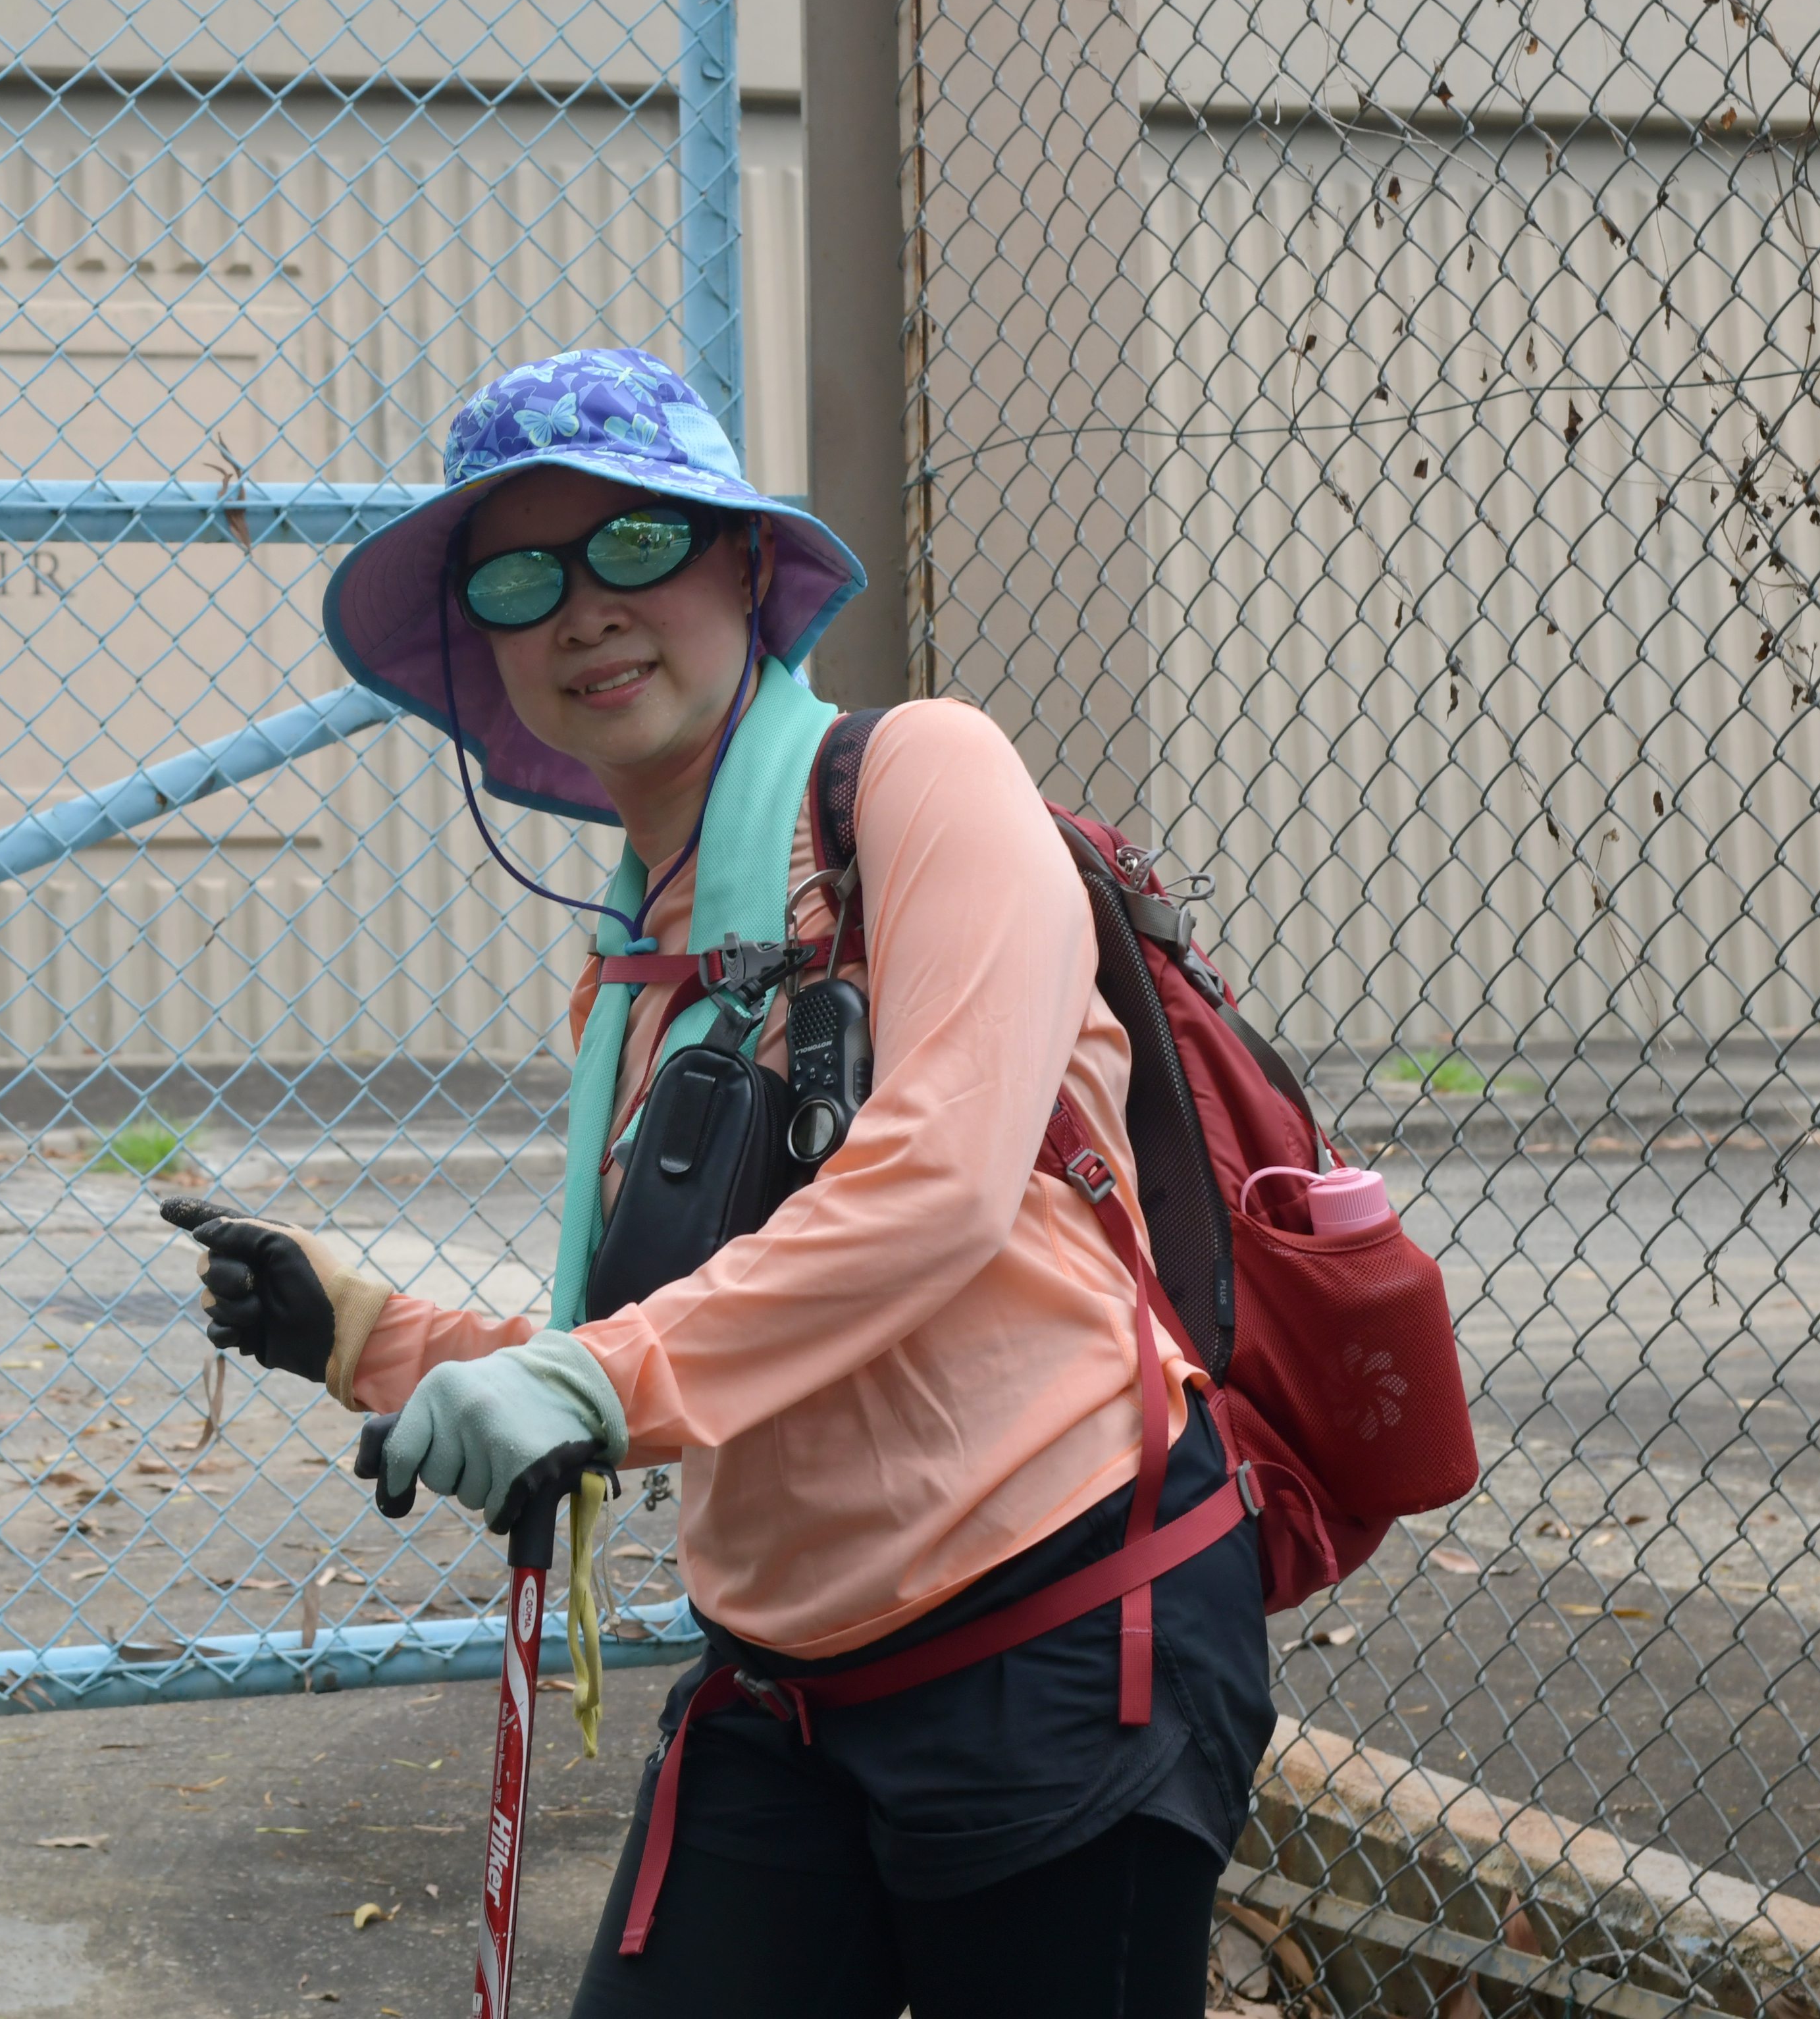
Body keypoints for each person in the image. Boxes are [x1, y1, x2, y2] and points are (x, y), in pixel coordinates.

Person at [159, 348, 1268, 2018]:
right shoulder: (638, 958)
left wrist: (588, 1382)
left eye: (636, 543)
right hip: (787, 1684)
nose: (583, 611)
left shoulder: (925, 776)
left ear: (746, 564)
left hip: (1059, 1627)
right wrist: (373, 1339)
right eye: (520, 581)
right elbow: (686, 1331)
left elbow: (939, 1182)